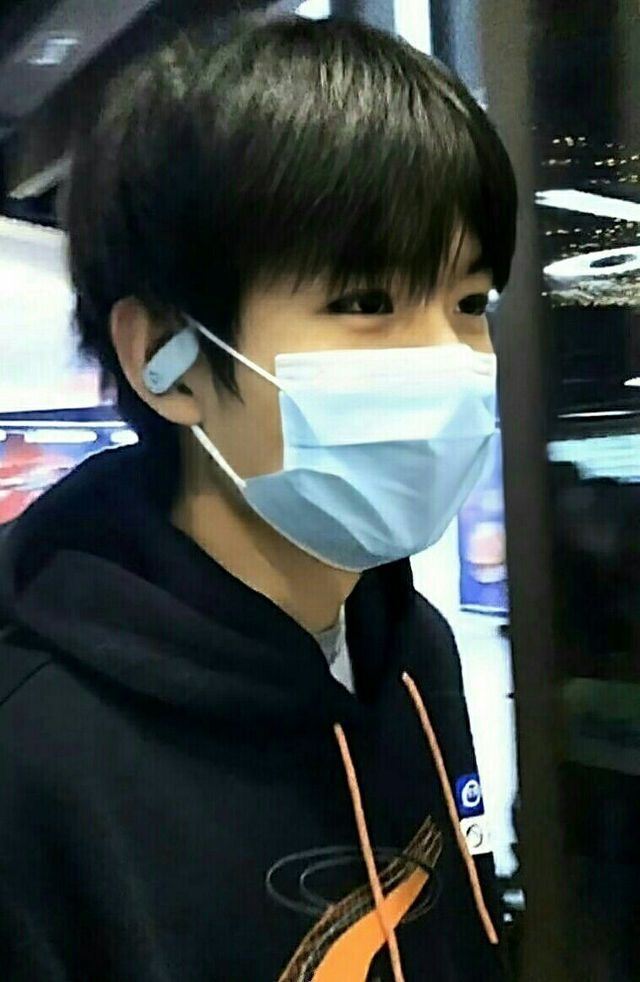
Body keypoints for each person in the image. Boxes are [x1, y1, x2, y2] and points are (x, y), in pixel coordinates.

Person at [0, 13, 517, 981]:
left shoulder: (412, 651)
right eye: (365, 303)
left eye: (469, 303)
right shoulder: (35, 758)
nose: (449, 359)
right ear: (167, 358)